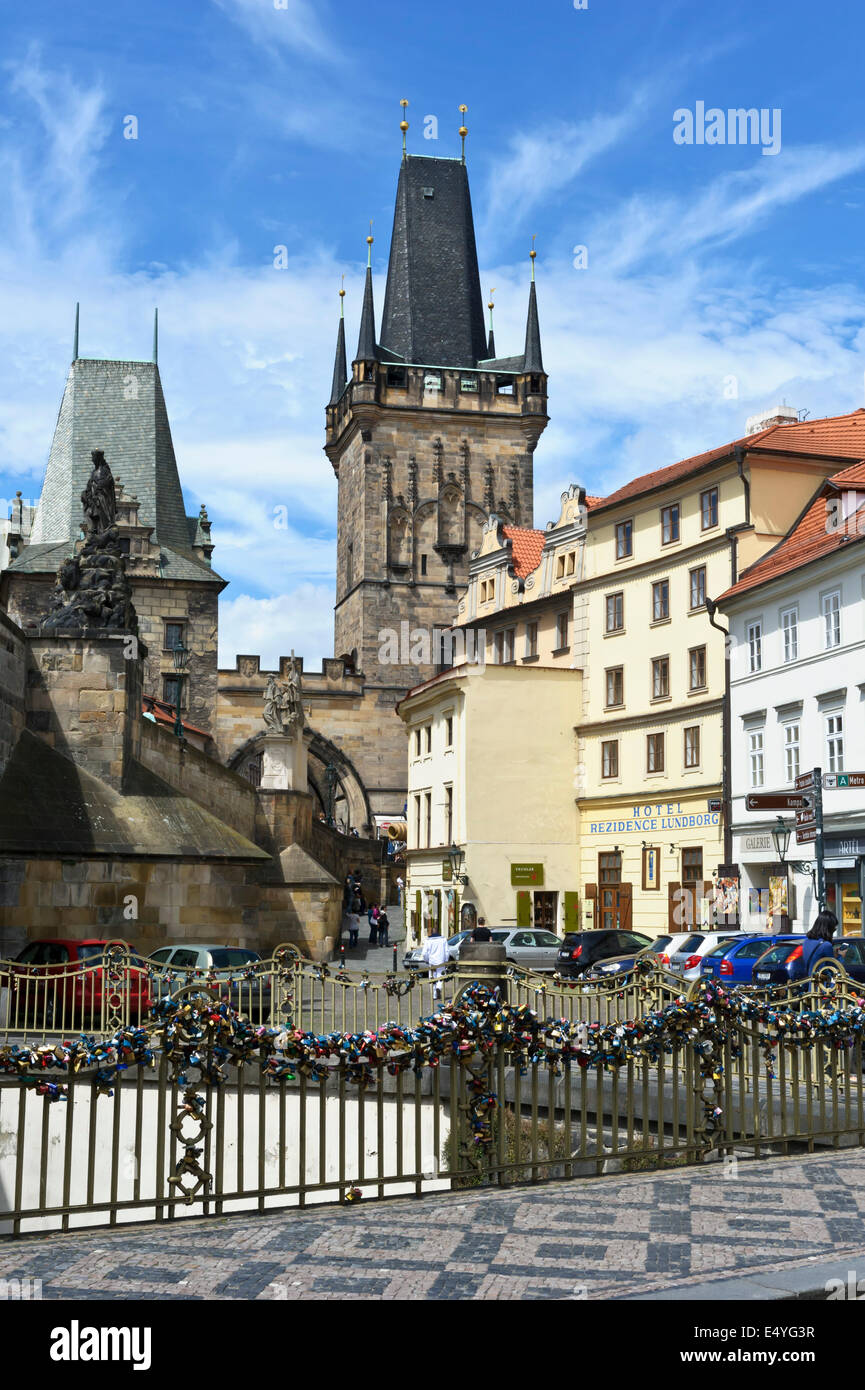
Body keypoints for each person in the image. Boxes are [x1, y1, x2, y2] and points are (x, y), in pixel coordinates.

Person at [421, 925, 449, 1001]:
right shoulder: (443, 940)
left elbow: (424, 953)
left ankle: (434, 995)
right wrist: (446, 960)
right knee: (441, 977)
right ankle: (438, 988)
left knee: (432, 978)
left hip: (432, 962)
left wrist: (426, 960)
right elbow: (446, 952)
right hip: (441, 962)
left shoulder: (428, 941)